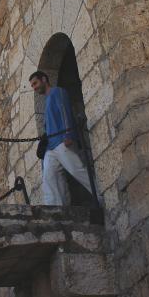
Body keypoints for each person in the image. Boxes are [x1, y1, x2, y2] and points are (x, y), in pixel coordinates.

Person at [29, 70, 93, 206]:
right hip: (51, 147)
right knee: (50, 178)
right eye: (32, 86)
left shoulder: (57, 92)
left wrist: (68, 135)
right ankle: (58, 209)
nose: (34, 88)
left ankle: (100, 195)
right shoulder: (47, 101)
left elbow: (65, 112)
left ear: (44, 79)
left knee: (77, 170)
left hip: (63, 141)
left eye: (35, 83)